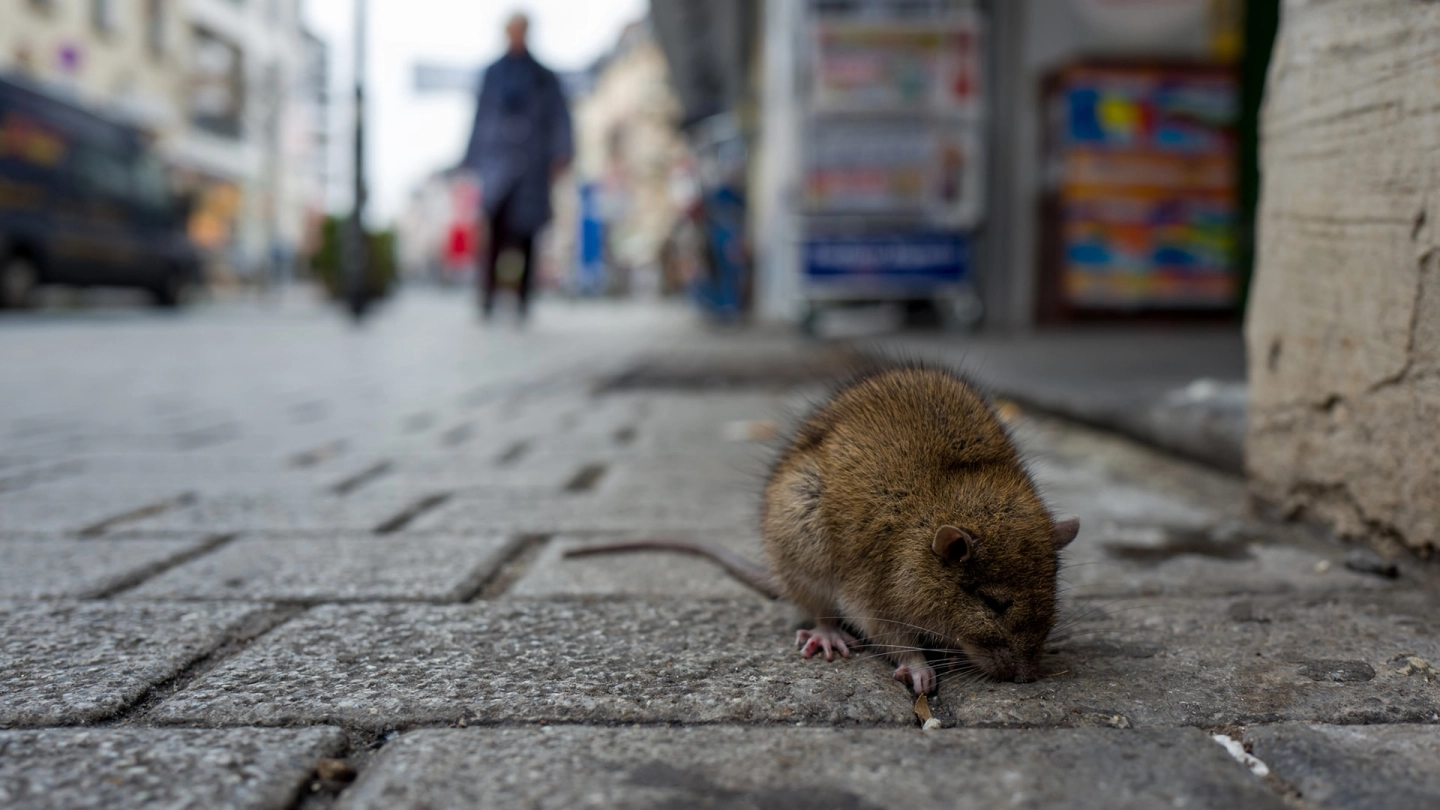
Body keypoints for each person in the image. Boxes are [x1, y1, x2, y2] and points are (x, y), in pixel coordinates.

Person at [460, 12, 573, 321]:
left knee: (527, 234)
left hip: (532, 163)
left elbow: (561, 117)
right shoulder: (492, 74)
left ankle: (523, 300)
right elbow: (479, 117)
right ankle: (487, 296)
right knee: (494, 230)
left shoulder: (544, 76)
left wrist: (562, 153)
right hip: (497, 162)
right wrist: (471, 160)